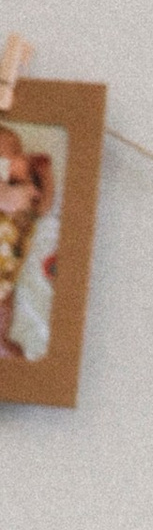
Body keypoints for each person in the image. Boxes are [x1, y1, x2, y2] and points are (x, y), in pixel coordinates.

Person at [0, 128, 58, 365]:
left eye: (16, 152)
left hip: (7, 275)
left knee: (5, 306)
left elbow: (43, 208)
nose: (14, 157)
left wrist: (45, 177)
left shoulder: (28, 190)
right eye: (6, 155)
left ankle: (1, 341)